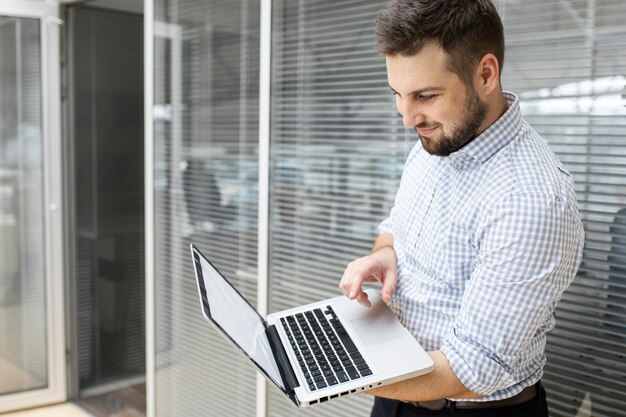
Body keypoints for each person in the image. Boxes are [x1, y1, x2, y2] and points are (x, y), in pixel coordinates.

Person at [338, 1, 585, 416]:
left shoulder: (530, 201)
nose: (407, 117)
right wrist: (383, 254)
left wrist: (331, 370)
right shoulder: (434, 142)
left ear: (485, 74)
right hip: (399, 392)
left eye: (426, 95)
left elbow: (473, 369)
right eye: (397, 95)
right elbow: (395, 227)